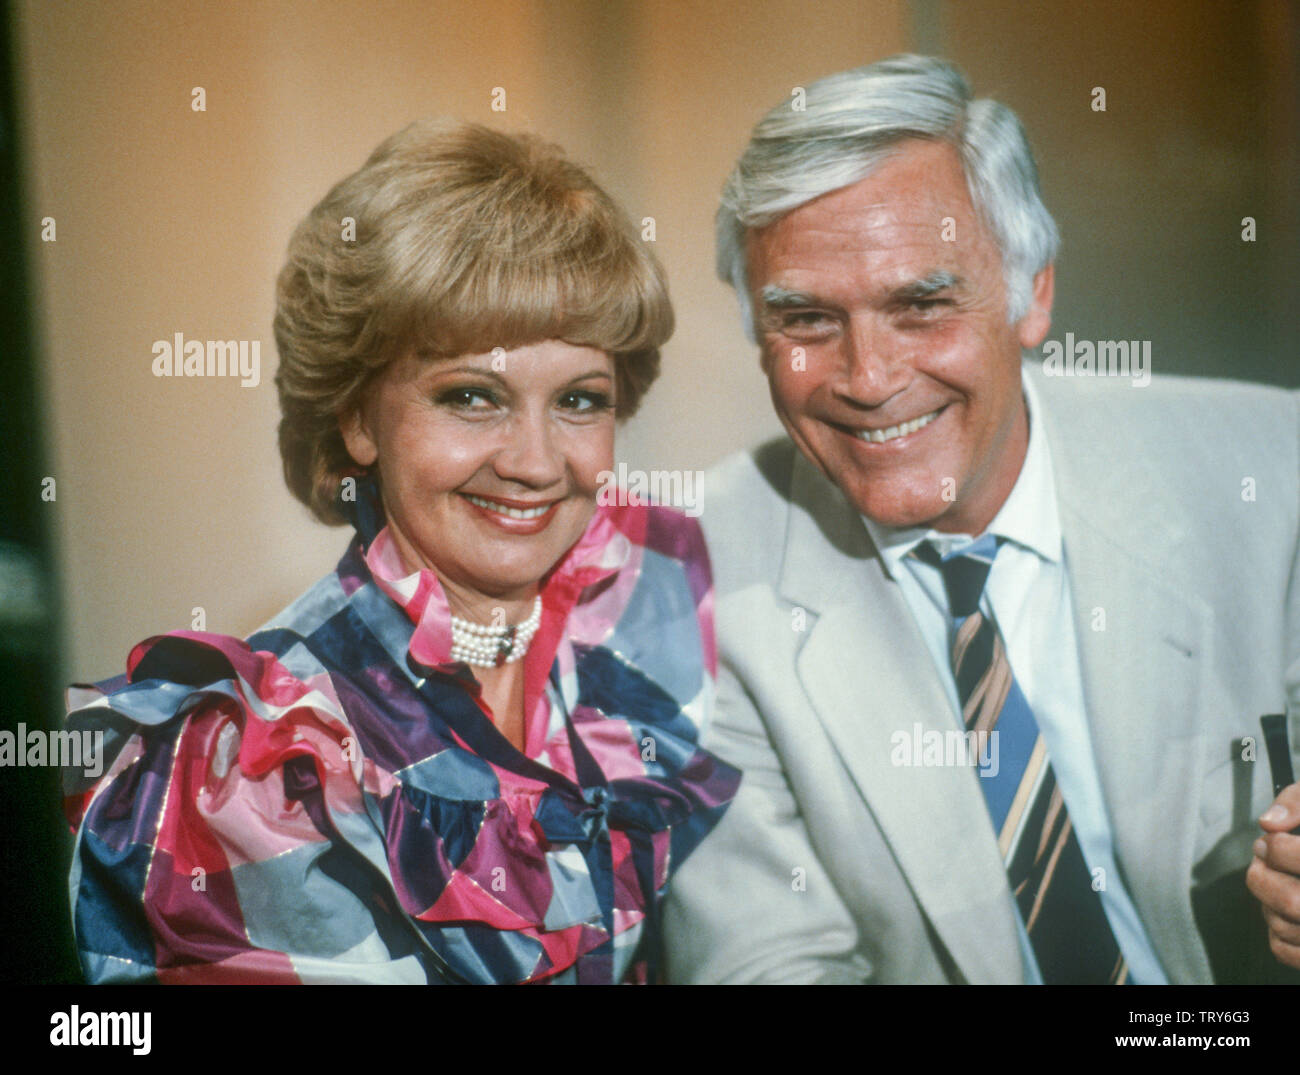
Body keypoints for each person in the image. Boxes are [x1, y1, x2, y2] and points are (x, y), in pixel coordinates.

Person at [661, 54, 1300, 984]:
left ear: (1031, 293)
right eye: (804, 320)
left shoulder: (1272, 471)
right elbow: (765, 968)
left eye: (921, 304)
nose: (869, 379)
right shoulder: (693, 575)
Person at [62, 120, 739, 985]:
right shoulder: (262, 766)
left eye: (578, 399)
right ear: (356, 417)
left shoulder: (650, 593)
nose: (535, 462)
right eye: (470, 396)